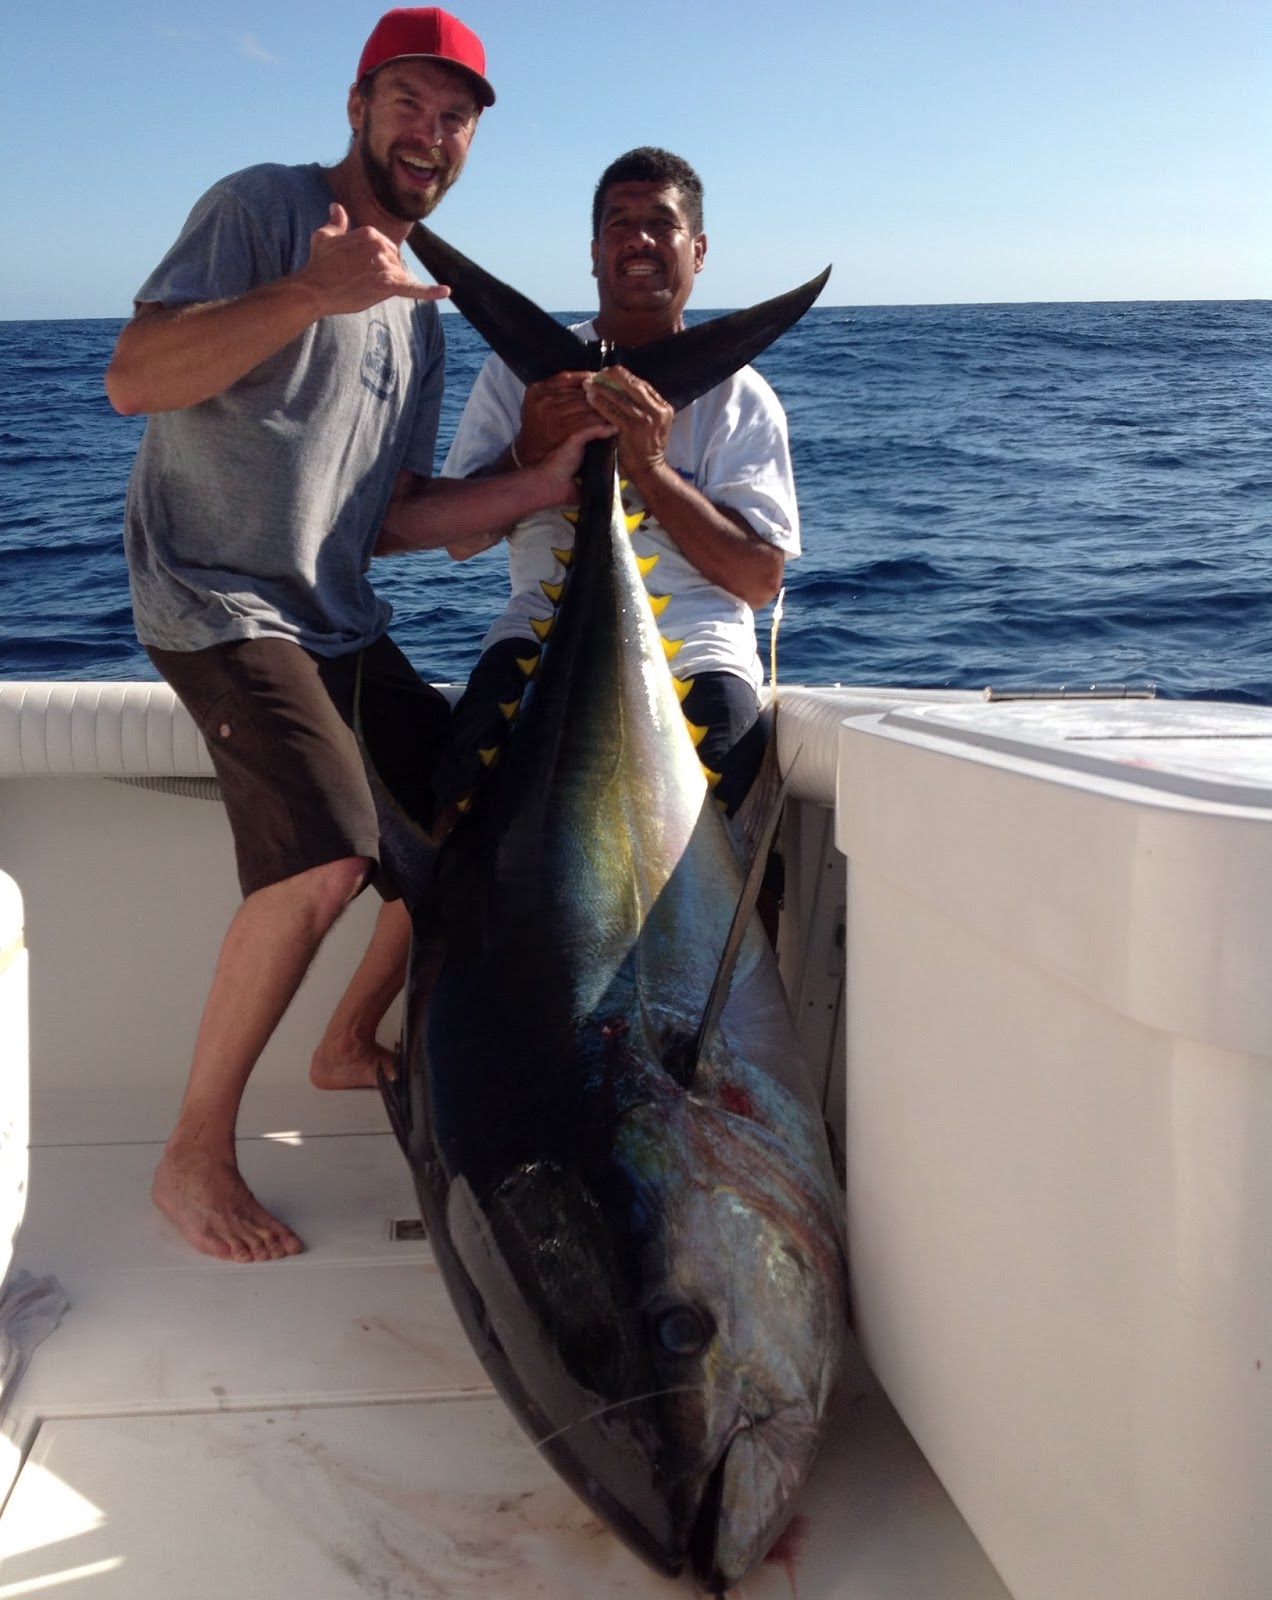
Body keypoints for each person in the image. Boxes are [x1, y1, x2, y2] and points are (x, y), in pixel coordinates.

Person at [104, 8, 607, 1265]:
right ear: (357, 104)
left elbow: (388, 520)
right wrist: (307, 293)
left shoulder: (422, 315)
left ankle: (343, 1044)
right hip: (218, 600)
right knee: (330, 853)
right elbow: (135, 376)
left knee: (462, 818)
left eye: (455, 118)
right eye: (409, 105)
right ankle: (191, 1156)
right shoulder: (267, 209)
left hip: (336, 615)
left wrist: (550, 482)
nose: (429, 135)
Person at [439, 145, 800, 823]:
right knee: (452, 812)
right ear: (595, 251)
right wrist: (532, 447)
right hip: (537, 651)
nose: (639, 239)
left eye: (660, 224)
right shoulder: (516, 379)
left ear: (698, 249)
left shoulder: (743, 399)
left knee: (722, 844)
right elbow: (458, 542)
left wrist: (650, 466)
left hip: (701, 657)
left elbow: (758, 581)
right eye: (619, 224)